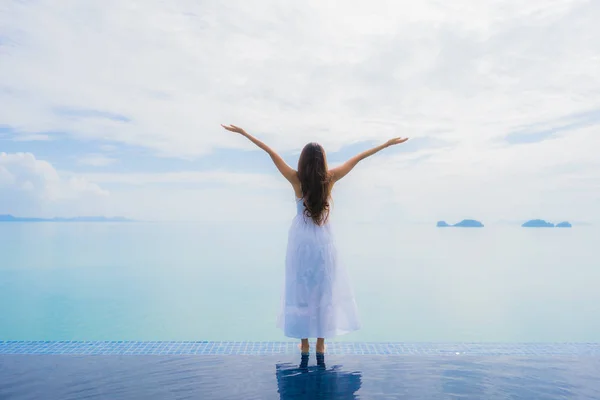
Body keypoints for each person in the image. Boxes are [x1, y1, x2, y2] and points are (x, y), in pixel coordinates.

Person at [221, 124, 409, 355]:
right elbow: (359, 157)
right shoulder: (330, 178)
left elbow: (270, 152)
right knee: (324, 288)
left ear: (303, 160)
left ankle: (305, 343)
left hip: (301, 240)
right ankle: (321, 341)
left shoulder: (295, 179)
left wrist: (244, 133)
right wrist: (386, 144)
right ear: (323, 161)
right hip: (322, 239)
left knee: (300, 288)